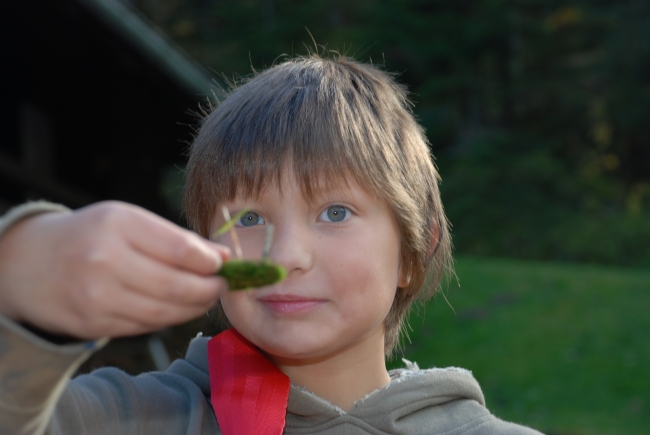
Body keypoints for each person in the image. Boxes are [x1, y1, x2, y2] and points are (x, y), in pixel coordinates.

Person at [0, 55, 542, 434]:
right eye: (250, 217)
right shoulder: (122, 419)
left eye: (335, 213)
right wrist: (20, 276)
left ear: (414, 248)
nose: (284, 257)